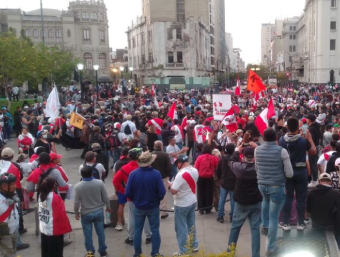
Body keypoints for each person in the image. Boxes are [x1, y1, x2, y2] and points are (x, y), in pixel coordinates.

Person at [255, 128, 293, 256]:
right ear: (276, 138)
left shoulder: (257, 150)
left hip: (262, 184)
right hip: (276, 185)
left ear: (263, 138)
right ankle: (271, 247)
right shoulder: (282, 151)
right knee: (274, 217)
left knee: (265, 200)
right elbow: (289, 173)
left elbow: (257, 169)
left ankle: (264, 225)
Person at [125, 151, 166, 257]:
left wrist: (135, 199)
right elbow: (162, 192)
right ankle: (155, 253)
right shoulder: (156, 174)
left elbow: (127, 192)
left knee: (138, 230)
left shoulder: (133, 174)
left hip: (138, 206)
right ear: (150, 162)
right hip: (153, 206)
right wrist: (157, 200)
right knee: (155, 230)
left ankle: (137, 253)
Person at [278, 117, 316, 231]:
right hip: (301, 172)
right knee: (301, 198)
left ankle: (286, 223)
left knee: (288, 197)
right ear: (298, 127)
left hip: (287, 172)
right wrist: (310, 138)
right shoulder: (303, 141)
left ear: (287, 127)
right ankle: (300, 223)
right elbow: (313, 152)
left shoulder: (281, 140)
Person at [227, 145, 263, 257]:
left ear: (243, 156)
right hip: (256, 202)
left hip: (241, 202)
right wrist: (257, 147)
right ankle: (256, 255)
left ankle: (230, 253)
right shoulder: (259, 168)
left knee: (235, 228)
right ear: (254, 157)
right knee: (255, 230)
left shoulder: (239, 168)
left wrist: (237, 151)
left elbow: (230, 161)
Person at [113, 148, 152, 244]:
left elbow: (115, 181)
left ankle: (131, 237)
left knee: (132, 217)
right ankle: (149, 236)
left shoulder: (125, 168)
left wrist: (124, 191)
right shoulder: (146, 166)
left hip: (131, 197)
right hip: (145, 195)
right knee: (147, 216)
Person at [74, 165, 110, 257]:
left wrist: (76, 212)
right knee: (100, 232)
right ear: (92, 173)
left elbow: (76, 202)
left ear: (81, 175)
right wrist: (108, 206)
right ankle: (102, 251)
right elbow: (105, 197)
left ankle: (90, 252)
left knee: (88, 234)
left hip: (86, 213)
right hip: (98, 211)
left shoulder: (78, 186)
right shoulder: (99, 183)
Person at [168, 155, 199, 256]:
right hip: (192, 201)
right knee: (191, 225)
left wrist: (170, 186)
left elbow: (173, 191)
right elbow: (188, 183)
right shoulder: (194, 170)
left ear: (180, 163)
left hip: (181, 204)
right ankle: (194, 245)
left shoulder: (180, 175)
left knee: (180, 228)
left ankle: (184, 251)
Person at [38, 177, 72, 257]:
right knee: (56, 252)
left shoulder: (41, 195)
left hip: (44, 227)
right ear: (54, 186)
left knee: (46, 251)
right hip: (54, 230)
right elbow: (61, 214)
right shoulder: (55, 197)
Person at [306, 173, 340, 248]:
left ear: (319, 181)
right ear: (330, 182)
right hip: (332, 225)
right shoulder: (336, 194)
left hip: (316, 224)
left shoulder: (311, 193)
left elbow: (308, 210)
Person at [0, 173, 21, 257]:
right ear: (4, 186)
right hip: (5, 235)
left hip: (14, 231)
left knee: (13, 253)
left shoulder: (10, 195)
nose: (15, 186)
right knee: (8, 255)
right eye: (12, 184)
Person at [194, 144, 218, 214]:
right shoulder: (213, 158)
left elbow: (196, 167)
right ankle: (208, 208)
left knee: (200, 193)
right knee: (209, 193)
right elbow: (216, 166)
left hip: (201, 177)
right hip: (210, 177)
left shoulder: (199, 157)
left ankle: (201, 208)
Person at [151, 140, 172, 219]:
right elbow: (169, 167)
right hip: (163, 176)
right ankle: (163, 211)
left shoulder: (151, 154)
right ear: (161, 146)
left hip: (152, 177)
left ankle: (155, 210)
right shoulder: (165, 155)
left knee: (153, 193)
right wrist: (169, 175)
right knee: (164, 193)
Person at [215, 143, 236, 223]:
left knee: (222, 199)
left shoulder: (221, 159)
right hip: (233, 182)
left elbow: (218, 171)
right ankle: (232, 216)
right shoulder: (235, 159)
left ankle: (220, 216)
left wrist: (220, 178)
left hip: (224, 181)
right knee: (233, 200)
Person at [306, 113, 321, 188]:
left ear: (309, 120)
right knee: (314, 163)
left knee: (313, 164)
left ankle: (315, 180)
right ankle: (315, 179)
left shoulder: (311, 129)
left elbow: (311, 139)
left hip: (313, 147)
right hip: (317, 146)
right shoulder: (316, 126)